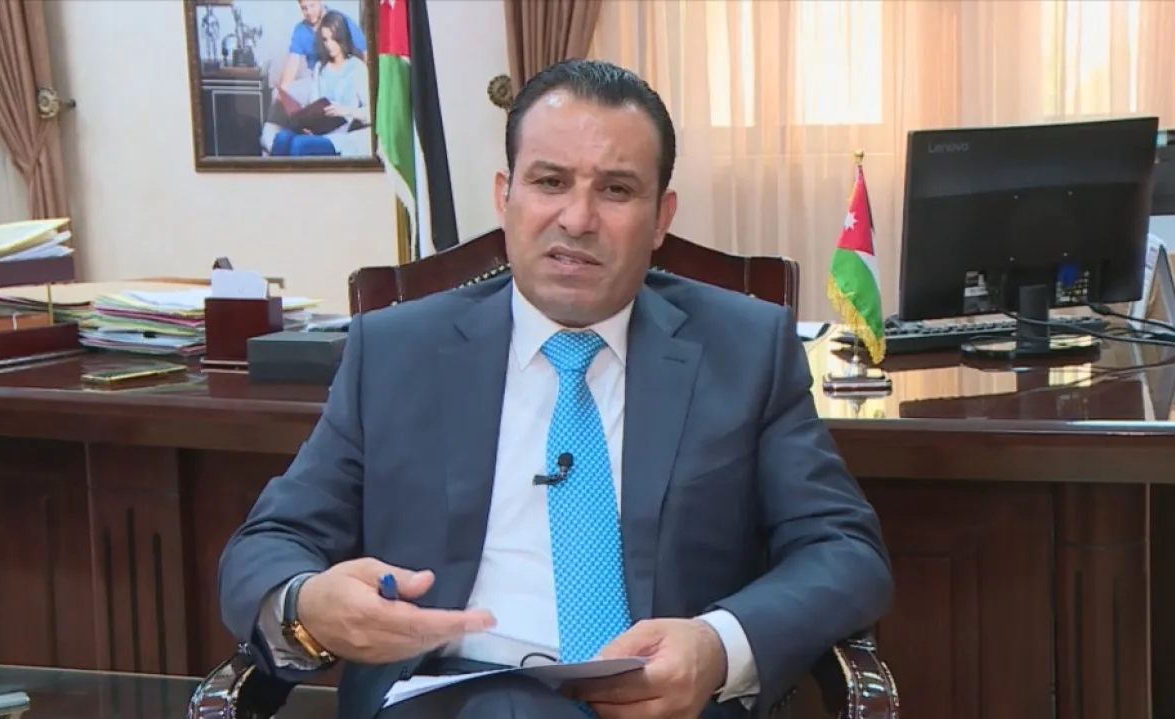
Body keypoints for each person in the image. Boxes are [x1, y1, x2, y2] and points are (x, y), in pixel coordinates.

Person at [218, 59, 893, 719]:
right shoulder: (395, 352)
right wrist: (306, 605)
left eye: (616, 190)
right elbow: (267, 542)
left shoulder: (745, 350)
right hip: (448, 696)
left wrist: (717, 645)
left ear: (662, 217)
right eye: (550, 181)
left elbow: (844, 549)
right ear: (504, 196)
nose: (577, 218)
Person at [271, 12, 371, 157]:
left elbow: (371, 113)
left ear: (342, 38)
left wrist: (346, 110)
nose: (329, 45)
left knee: (298, 144)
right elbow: (314, 103)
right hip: (317, 130)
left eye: (334, 39)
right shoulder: (320, 67)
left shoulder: (357, 67)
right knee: (282, 138)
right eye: (325, 40)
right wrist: (307, 123)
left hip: (338, 137)